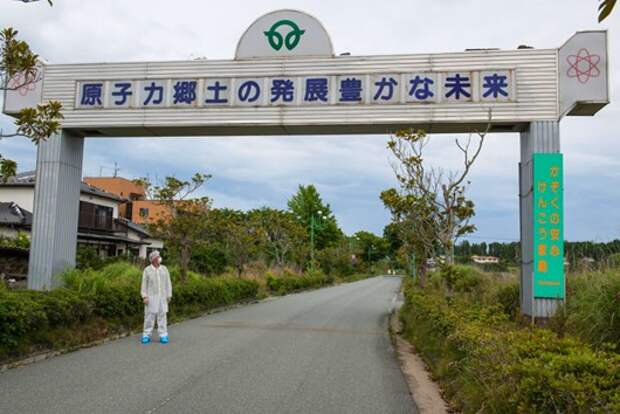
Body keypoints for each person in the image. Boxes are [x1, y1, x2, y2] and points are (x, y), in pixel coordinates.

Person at [140, 250, 172, 344]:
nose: (159, 258)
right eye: (158, 256)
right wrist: (144, 296)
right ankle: (146, 335)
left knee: (162, 316)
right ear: (153, 259)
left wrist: (169, 295)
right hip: (151, 297)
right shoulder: (147, 270)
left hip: (162, 297)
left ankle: (163, 335)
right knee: (149, 316)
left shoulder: (164, 269)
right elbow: (144, 284)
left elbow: (168, 283)